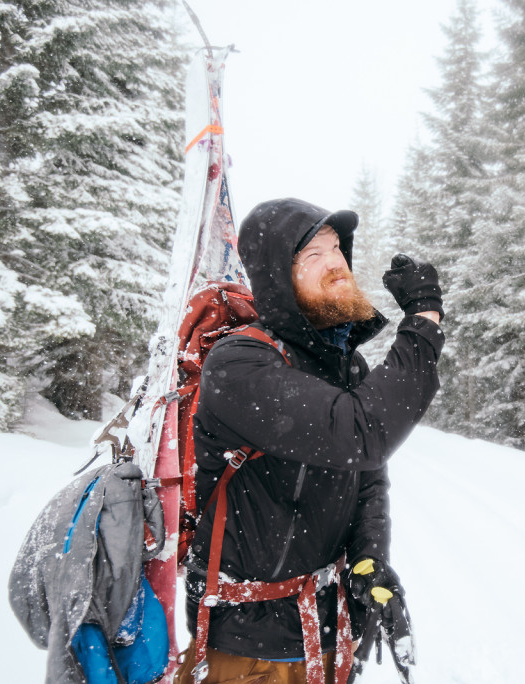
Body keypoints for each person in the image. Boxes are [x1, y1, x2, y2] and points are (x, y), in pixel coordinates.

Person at [174, 197, 445, 684]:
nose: (336, 263)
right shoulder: (240, 364)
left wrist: (369, 560)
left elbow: (367, 480)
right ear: (278, 278)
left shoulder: (346, 367)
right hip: (246, 650)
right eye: (312, 255)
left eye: (337, 249)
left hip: (326, 632)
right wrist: (422, 324)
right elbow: (362, 433)